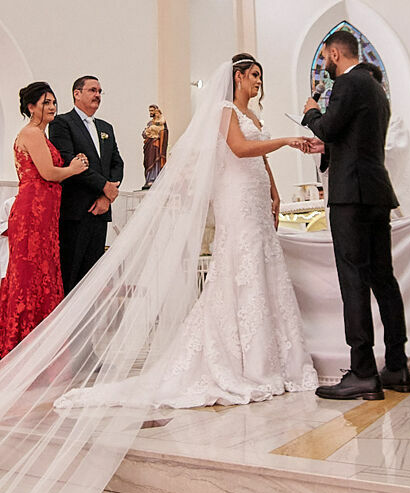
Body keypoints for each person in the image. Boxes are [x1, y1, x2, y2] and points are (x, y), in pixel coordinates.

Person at [57, 53, 317, 409]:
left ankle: (273, 359)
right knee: (240, 268)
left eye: (260, 76)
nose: (259, 82)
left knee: (264, 267)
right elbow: (241, 150)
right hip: (236, 198)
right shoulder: (224, 110)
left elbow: (261, 158)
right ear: (237, 77)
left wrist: (274, 190)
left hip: (257, 196)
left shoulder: (253, 115)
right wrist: (286, 141)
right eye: (254, 75)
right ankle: (242, 362)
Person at [301, 29, 410, 400]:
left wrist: (311, 114)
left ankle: (363, 371)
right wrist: (328, 143)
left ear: (335, 53)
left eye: (327, 58)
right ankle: (397, 364)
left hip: (350, 195)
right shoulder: (375, 88)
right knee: (383, 277)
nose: (327, 66)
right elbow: (352, 137)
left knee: (353, 280)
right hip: (376, 191)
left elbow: (330, 125)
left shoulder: (348, 84)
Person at [0, 82, 88, 367]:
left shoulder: (41, 135)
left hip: (44, 210)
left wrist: (70, 167)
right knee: (30, 276)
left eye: (54, 102)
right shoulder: (31, 133)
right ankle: (21, 353)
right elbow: (47, 172)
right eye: (46, 102)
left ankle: (39, 355)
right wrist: (73, 169)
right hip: (32, 210)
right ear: (31, 107)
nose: (52, 107)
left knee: (44, 274)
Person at [48, 75, 125, 293]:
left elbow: (117, 163)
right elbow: (68, 160)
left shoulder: (105, 127)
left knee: (93, 277)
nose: (98, 95)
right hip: (75, 211)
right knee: (71, 273)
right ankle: (67, 326)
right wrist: (105, 186)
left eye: (100, 91)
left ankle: (87, 326)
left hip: (100, 211)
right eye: (92, 90)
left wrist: (106, 197)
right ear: (77, 93)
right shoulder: (62, 123)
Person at [142, 104, 168, 186]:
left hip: (156, 144)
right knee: (148, 161)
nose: (151, 112)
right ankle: (149, 179)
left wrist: (158, 134)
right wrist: (145, 134)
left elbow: (164, 131)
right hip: (149, 145)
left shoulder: (161, 122)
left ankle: (155, 179)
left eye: (152, 111)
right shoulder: (150, 123)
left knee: (155, 160)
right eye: (150, 111)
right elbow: (144, 133)